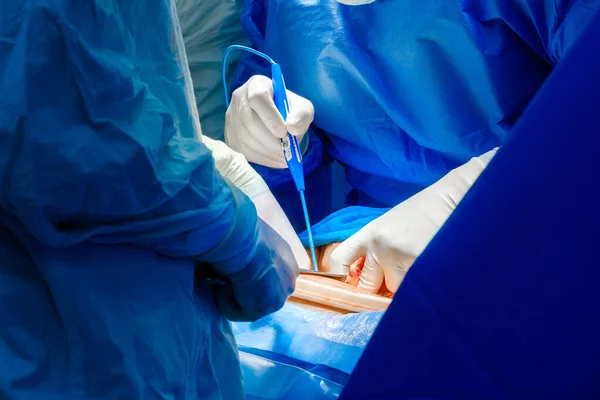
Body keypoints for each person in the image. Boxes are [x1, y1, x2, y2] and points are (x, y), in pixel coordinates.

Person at [0, 0, 312, 398]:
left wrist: (188, 160)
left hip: (133, 328)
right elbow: (70, 137)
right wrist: (234, 231)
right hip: (78, 341)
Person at [224, 0, 600, 294]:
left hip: (539, 225)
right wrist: (283, 146)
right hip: (365, 239)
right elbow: (306, 153)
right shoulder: (280, 8)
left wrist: (473, 194)